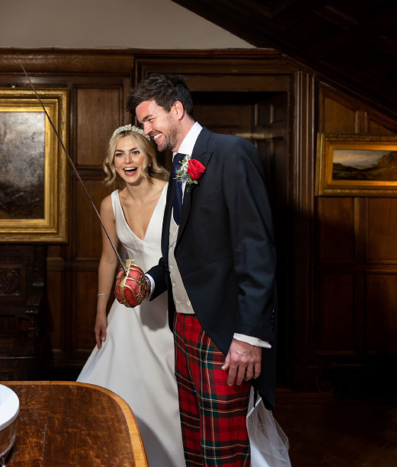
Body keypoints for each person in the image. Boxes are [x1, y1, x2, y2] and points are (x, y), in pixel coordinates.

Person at [119, 74, 290, 466]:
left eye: (149, 120)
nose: (146, 131)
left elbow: (256, 250)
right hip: (183, 327)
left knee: (224, 449)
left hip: (224, 332)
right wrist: (147, 282)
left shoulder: (231, 153)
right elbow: (178, 252)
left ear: (176, 109)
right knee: (195, 440)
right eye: (142, 122)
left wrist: (248, 336)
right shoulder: (177, 166)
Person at [77, 124, 186, 467]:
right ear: (112, 162)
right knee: (123, 389)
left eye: (135, 151)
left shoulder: (175, 194)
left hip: (172, 306)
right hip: (128, 310)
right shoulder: (110, 205)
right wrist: (100, 309)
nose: (128, 160)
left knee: (171, 390)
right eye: (120, 154)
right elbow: (110, 258)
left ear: (149, 156)